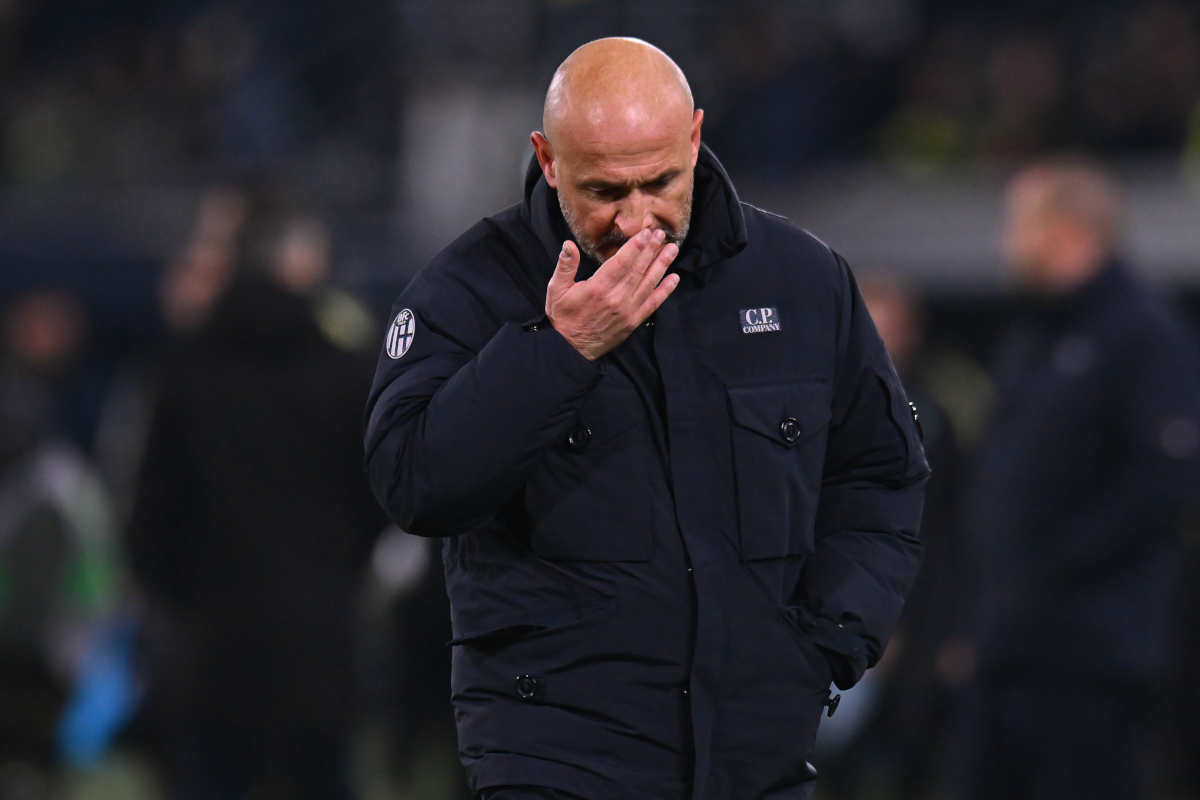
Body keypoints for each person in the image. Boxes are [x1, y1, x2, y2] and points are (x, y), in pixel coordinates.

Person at [364, 38, 928, 800]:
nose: (636, 220)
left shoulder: (800, 278)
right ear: (549, 158)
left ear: (695, 138)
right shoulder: (469, 290)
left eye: (660, 181)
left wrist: (826, 640)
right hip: (555, 758)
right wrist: (559, 352)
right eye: (604, 190)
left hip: (755, 757)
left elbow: (880, 474)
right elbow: (413, 481)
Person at [946, 158, 1200, 800]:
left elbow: (1165, 479)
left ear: (1069, 230)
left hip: (1090, 657)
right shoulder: (1031, 336)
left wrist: (1055, 562)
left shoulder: (1146, 335)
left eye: (1019, 225)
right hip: (1006, 644)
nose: (1008, 244)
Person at [128, 192, 387, 800]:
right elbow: (379, 502)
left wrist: (181, 599)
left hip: (214, 645)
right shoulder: (347, 371)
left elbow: (151, 517)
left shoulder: (187, 370)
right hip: (322, 638)